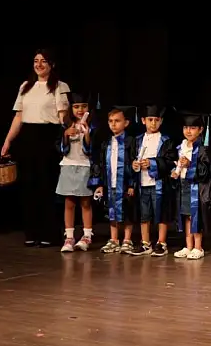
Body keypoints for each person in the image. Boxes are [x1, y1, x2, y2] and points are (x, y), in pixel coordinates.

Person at [1, 49, 70, 247]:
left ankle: (50, 234)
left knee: (46, 185)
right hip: (28, 138)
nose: (39, 65)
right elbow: (18, 117)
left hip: (48, 136)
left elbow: (63, 116)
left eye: (43, 61)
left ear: (52, 64)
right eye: (36, 61)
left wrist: (69, 127)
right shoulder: (25, 86)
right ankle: (31, 233)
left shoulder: (59, 86)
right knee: (29, 186)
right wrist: (8, 141)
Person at [90, 105, 139, 254]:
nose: (113, 124)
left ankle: (127, 239)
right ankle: (114, 239)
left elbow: (135, 162)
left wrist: (132, 184)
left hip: (124, 183)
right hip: (110, 182)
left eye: (117, 121)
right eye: (110, 121)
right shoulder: (106, 143)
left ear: (126, 123)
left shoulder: (131, 142)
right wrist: (100, 184)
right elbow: (101, 164)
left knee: (127, 212)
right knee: (111, 211)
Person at [169, 110, 211, 260]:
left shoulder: (203, 149)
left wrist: (190, 165)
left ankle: (198, 247)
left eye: (192, 128)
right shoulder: (181, 146)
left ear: (201, 130)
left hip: (197, 187)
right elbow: (178, 164)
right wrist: (175, 171)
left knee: (195, 216)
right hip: (183, 184)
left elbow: (206, 171)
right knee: (186, 216)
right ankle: (188, 246)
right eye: (185, 127)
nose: (188, 131)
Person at [56, 90, 94, 252]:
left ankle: (87, 236)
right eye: (76, 106)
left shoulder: (92, 125)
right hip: (68, 165)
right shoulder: (65, 125)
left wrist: (87, 135)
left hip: (84, 166)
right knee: (69, 202)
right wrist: (66, 135)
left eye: (83, 106)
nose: (80, 110)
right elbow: (61, 148)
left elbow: (91, 149)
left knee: (85, 202)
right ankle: (69, 237)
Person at [133, 104, 173, 257]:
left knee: (161, 213)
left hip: (159, 182)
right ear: (143, 120)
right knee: (144, 214)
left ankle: (161, 243)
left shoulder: (166, 140)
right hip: (142, 182)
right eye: (150, 120)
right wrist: (134, 164)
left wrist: (152, 163)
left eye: (157, 120)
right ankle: (145, 242)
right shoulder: (138, 140)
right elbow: (132, 158)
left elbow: (169, 161)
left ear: (161, 121)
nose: (153, 123)